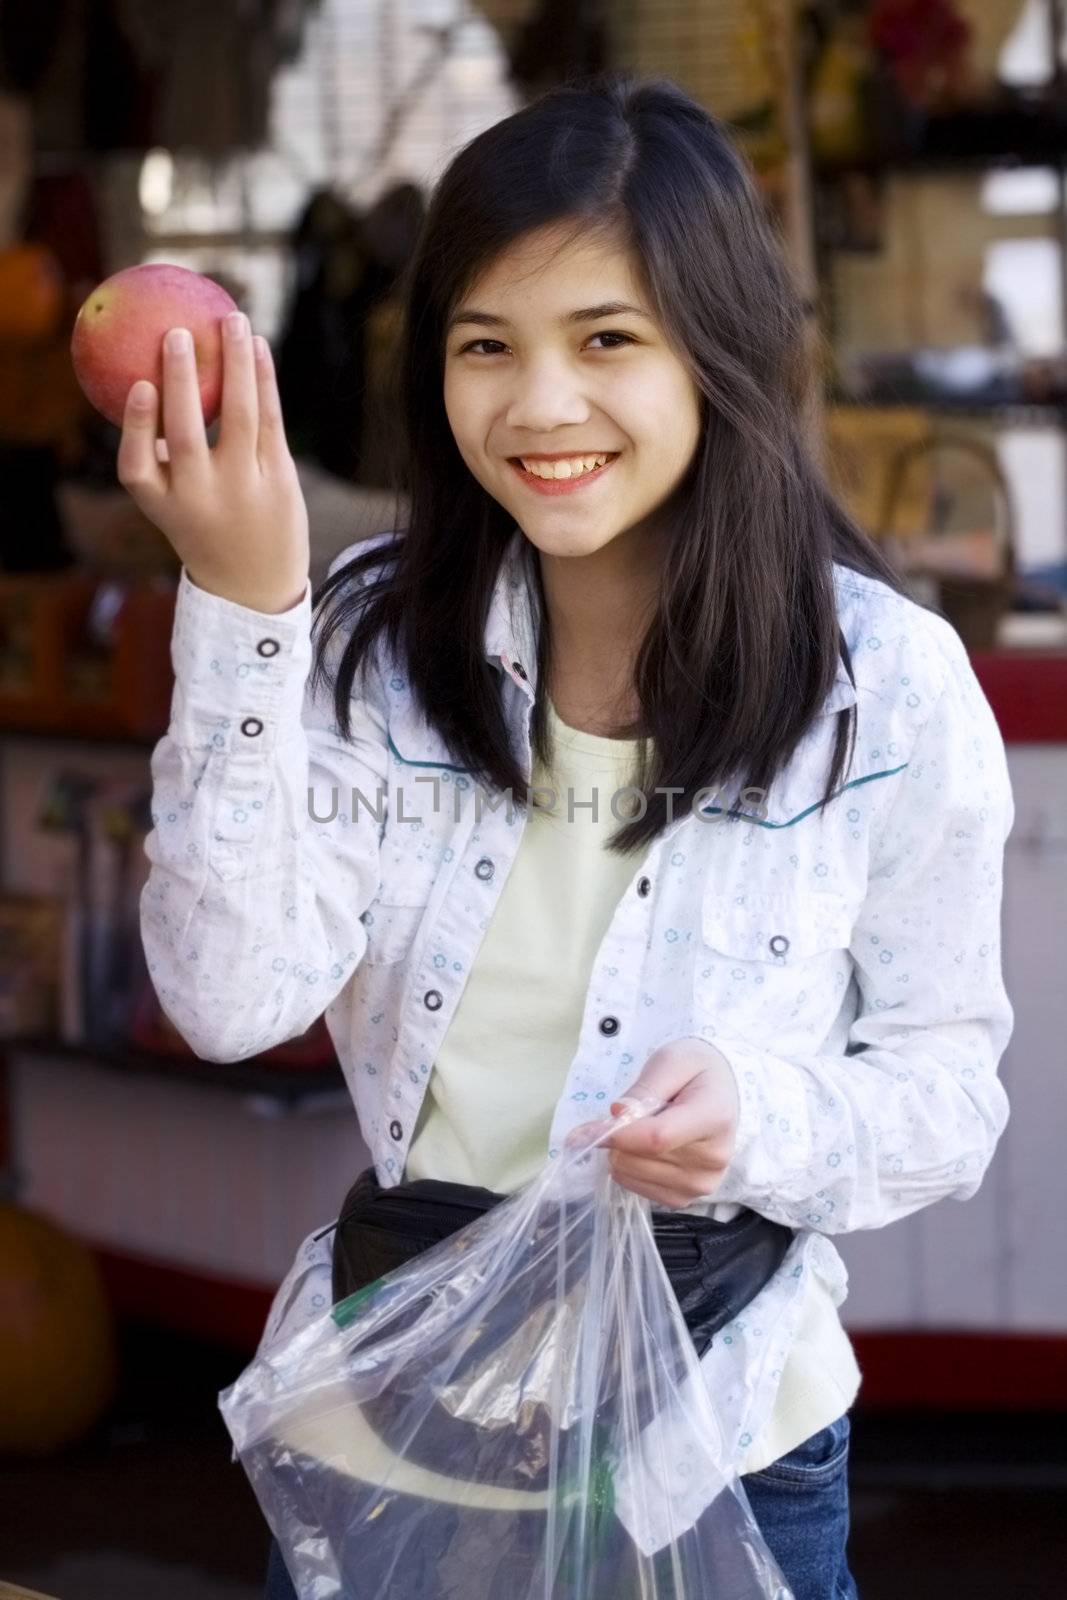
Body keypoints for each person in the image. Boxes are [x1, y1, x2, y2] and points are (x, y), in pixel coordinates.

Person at [118, 70, 1014, 1600]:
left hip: (712, 1456)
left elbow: (949, 1093)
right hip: (378, 1459)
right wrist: (244, 606)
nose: (540, 406)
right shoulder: (367, 641)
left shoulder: (884, 689)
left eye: (607, 341)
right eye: (487, 347)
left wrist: (759, 1119)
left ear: (717, 352)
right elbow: (226, 996)